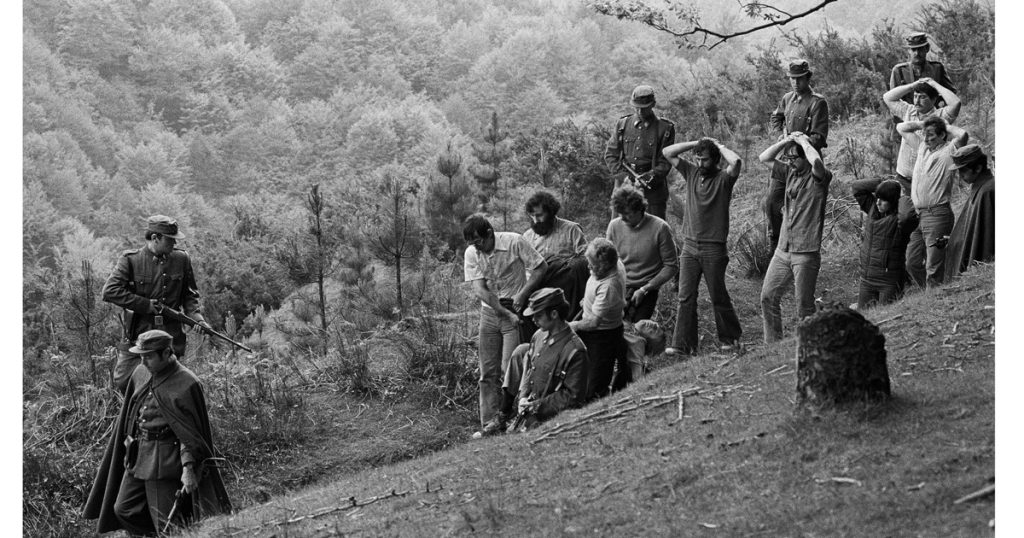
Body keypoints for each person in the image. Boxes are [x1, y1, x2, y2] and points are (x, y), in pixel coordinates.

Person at [83, 330, 231, 535]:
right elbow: (130, 410)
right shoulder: (140, 372)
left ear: (167, 353)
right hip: (137, 456)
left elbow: (189, 435)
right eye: (141, 356)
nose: (143, 361)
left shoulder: (187, 383)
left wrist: (188, 468)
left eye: (149, 356)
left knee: (166, 523)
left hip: (165, 461)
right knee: (123, 509)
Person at [463, 213, 547, 437]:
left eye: (479, 242)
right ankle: (490, 424)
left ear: (490, 233)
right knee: (487, 372)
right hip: (490, 314)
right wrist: (504, 312)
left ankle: (514, 417)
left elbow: (540, 267)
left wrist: (523, 294)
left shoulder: (514, 241)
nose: (476, 248)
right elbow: (480, 290)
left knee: (510, 368)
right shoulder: (472, 253)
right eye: (472, 244)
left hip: (515, 309)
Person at [102, 215, 210, 389]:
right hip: (137, 335)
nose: (174, 243)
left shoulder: (182, 259)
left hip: (170, 336)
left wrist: (197, 318)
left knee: (167, 386)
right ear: (155, 238)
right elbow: (110, 291)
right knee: (123, 383)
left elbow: (189, 295)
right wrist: (146, 305)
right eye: (170, 239)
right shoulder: (131, 260)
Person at [662, 137, 744, 355]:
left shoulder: (724, 179)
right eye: (697, 159)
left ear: (715, 159)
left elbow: (736, 162)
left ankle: (731, 339)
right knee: (685, 296)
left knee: (718, 295)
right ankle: (683, 345)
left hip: (713, 248)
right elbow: (668, 152)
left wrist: (719, 146)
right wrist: (697, 142)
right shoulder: (692, 172)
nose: (700, 163)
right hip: (689, 246)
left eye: (705, 159)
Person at [758, 132, 833, 343]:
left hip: (806, 251)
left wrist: (803, 142)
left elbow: (816, 162)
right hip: (783, 248)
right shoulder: (790, 172)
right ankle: (773, 345)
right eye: (788, 158)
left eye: (794, 158)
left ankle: (810, 344)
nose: (790, 162)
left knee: (804, 306)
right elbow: (764, 157)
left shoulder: (819, 177)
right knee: (768, 297)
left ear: (805, 157)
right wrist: (787, 140)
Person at [896, 116, 969, 288]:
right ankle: (932, 292)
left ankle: (936, 294)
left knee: (933, 265)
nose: (927, 139)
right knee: (912, 262)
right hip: (918, 215)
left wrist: (944, 125)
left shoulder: (949, 151)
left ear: (942, 135)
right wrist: (925, 124)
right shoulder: (922, 147)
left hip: (937, 214)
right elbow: (901, 127)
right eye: (925, 135)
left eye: (932, 136)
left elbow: (963, 135)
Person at [766, 59, 829, 252]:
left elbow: (819, 137)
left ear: (808, 78)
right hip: (786, 161)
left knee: (804, 207)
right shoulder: (787, 98)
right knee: (772, 203)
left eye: (799, 78)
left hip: (806, 163)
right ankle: (776, 247)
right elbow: (776, 116)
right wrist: (781, 134)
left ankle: (801, 249)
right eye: (792, 79)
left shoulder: (817, 102)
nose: (795, 82)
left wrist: (801, 142)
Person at [503, 288, 588, 432]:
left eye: (539, 315)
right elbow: (529, 369)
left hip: (555, 421)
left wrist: (537, 406)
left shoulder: (575, 350)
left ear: (554, 314)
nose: (533, 320)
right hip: (530, 415)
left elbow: (573, 396)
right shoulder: (538, 335)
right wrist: (523, 397)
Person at [606, 185, 679, 324]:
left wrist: (645, 289)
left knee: (639, 326)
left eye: (628, 214)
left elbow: (671, 266)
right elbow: (608, 260)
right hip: (619, 283)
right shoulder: (614, 226)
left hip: (647, 286)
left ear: (639, 209)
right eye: (621, 214)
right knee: (611, 324)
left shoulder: (660, 227)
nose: (623, 219)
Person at [603, 84, 677, 219]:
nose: (640, 111)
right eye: (636, 107)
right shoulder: (623, 124)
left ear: (653, 104)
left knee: (654, 228)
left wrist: (648, 178)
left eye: (644, 108)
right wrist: (625, 178)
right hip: (624, 188)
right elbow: (611, 155)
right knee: (619, 227)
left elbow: (665, 163)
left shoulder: (665, 129)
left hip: (652, 191)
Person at [568, 238, 627, 400]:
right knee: (582, 370)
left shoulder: (609, 285)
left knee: (595, 382)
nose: (588, 267)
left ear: (605, 265)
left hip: (602, 336)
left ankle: (596, 405)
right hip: (595, 326)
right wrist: (588, 300)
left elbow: (594, 322)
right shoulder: (612, 264)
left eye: (592, 264)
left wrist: (574, 325)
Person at [883, 76, 961, 195]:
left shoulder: (941, 116)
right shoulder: (909, 111)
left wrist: (934, 84)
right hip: (903, 178)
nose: (917, 101)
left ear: (934, 99)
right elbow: (888, 97)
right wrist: (912, 86)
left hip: (925, 180)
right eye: (915, 96)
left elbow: (956, 103)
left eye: (923, 97)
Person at [521, 191, 590, 321]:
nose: (535, 220)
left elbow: (586, 261)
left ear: (551, 213)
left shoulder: (572, 229)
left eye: (539, 215)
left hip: (569, 291)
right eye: (532, 215)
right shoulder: (527, 236)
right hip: (541, 290)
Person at [851, 179, 919, 308]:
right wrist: (884, 185)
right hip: (867, 280)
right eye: (877, 198)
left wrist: (901, 195)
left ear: (893, 201)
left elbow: (907, 217)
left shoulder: (900, 223)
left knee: (887, 317)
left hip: (889, 282)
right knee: (864, 317)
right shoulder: (873, 209)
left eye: (883, 200)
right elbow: (856, 187)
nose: (878, 202)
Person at [943, 144, 994, 280]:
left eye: (963, 171)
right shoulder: (979, 187)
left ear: (978, 168)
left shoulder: (987, 191)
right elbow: (973, 229)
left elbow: (986, 236)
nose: (960, 176)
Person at [889, 32, 957, 115]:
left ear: (927, 48)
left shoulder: (937, 68)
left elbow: (951, 91)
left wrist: (940, 105)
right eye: (913, 50)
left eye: (920, 49)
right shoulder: (899, 70)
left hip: (932, 116)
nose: (917, 53)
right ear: (908, 51)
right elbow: (892, 98)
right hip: (908, 116)